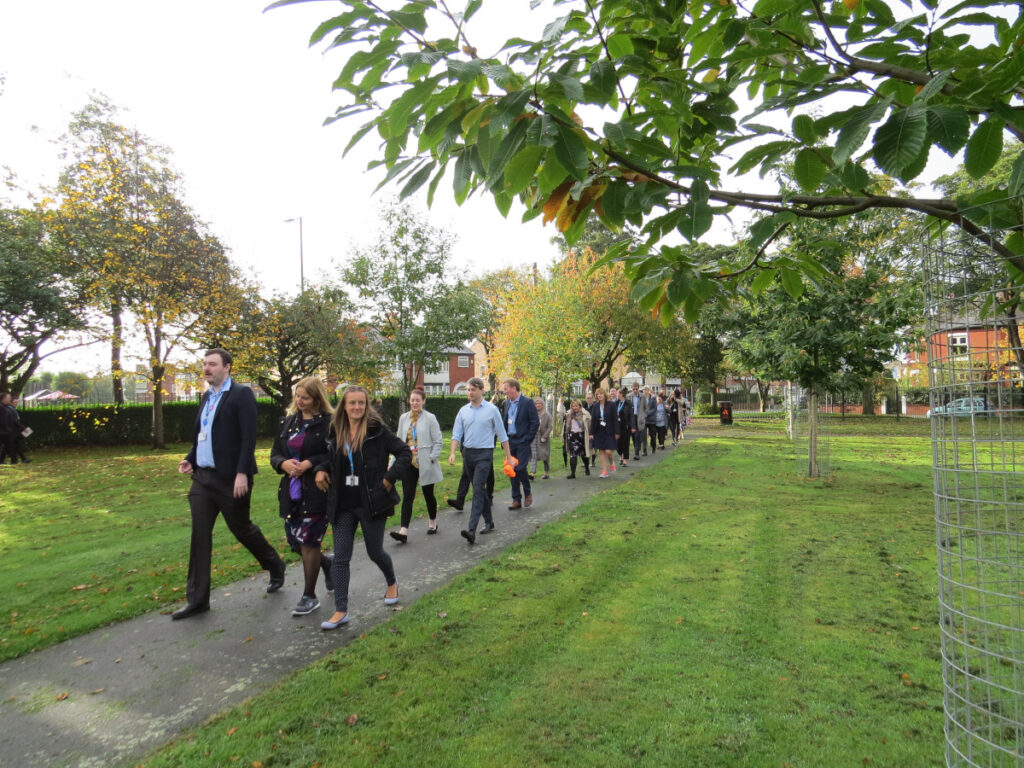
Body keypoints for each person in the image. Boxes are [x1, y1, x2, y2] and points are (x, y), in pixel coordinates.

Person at [174, 348, 286, 620]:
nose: (206, 369)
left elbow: (249, 437)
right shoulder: (206, 397)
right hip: (202, 478)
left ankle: (275, 565)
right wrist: (191, 458)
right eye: (204, 364)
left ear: (227, 367)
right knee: (199, 535)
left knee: (241, 528)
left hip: (230, 479)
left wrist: (242, 473)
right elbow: (203, 433)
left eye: (212, 364)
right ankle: (197, 600)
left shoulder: (241, 394)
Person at [315, 386, 411, 630]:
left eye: (361, 403)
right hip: (342, 503)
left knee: (374, 551)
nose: (357, 407)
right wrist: (321, 469)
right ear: (343, 406)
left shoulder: (377, 431)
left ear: (366, 405)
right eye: (352, 403)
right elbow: (328, 457)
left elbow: (404, 453)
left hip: (371, 502)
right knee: (340, 557)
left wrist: (389, 479)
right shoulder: (336, 429)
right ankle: (341, 610)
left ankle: (391, 581)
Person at [269, 377, 335, 616]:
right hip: (291, 492)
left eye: (305, 397)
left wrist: (311, 463)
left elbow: (335, 453)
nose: (300, 401)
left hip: (317, 491)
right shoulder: (289, 422)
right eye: (297, 396)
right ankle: (327, 564)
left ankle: (309, 596)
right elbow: (275, 453)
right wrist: (283, 463)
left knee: (309, 542)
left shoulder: (329, 423)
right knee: (294, 542)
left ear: (317, 399)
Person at [449, 377, 513, 544]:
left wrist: (508, 457)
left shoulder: (492, 410)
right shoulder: (463, 411)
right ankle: (489, 521)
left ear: (481, 390)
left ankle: (471, 530)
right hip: (468, 454)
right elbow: (456, 434)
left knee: (478, 489)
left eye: (473, 389)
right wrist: (453, 453)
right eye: (468, 390)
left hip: (484, 454)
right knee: (480, 490)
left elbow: (502, 435)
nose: (470, 392)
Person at [392, 388, 443, 540]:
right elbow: (398, 441)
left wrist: (432, 457)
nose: (414, 403)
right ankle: (403, 530)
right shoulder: (403, 418)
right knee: (408, 496)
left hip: (425, 462)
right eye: (412, 400)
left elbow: (438, 441)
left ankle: (433, 522)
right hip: (408, 462)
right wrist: (393, 461)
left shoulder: (430, 418)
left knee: (428, 494)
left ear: (423, 401)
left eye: (417, 400)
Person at [501, 379, 539, 510]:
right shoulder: (506, 403)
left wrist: (527, 439)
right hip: (510, 442)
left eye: (506, 388)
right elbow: (504, 422)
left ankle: (527, 492)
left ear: (514, 388)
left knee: (520, 468)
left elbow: (535, 422)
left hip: (522, 441)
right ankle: (516, 499)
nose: (504, 391)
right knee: (511, 470)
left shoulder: (527, 402)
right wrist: (503, 440)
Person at [589, 387, 619, 477]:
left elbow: (615, 419)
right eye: (597, 394)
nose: (599, 395)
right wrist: (591, 433)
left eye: (601, 394)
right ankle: (604, 471)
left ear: (604, 395)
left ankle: (611, 462)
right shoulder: (595, 406)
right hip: (599, 432)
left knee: (609, 452)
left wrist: (617, 432)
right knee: (601, 451)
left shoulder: (611, 405)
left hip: (610, 431)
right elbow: (593, 420)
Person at [562, 399, 592, 478]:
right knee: (573, 455)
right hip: (572, 436)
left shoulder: (585, 414)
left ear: (580, 406)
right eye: (573, 406)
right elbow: (565, 426)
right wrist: (564, 436)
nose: (574, 408)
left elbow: (589, 426)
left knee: (584, 454)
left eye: (576, 406)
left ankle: (586, 467)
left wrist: (591, 435)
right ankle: (573, 473)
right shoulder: (568, 414)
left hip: (582, 436)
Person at [528, 397, 552, 480]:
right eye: (536, 403)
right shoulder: (531, 414)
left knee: (545, 456)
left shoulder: (547, 415)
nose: (538, 405)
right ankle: (532, 473)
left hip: (543, 438)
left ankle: (546, 472)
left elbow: (550, 427)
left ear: (543, 404)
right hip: (534, 436)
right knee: (534, 454)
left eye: (540, 403)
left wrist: (544, 436)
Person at [616, 387, 634, 466]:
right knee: (618, 443)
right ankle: (620, 456)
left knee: (625, 443)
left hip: (626, 426)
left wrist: (633, 427)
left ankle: (625, 460)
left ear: (621, 394)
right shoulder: (616, 403)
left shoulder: (628, 403)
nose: (617, 395)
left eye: (618, 393)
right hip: (617, 426)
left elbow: (632, 416)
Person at [629, 382, 648, 460]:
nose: (635, 390)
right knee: (633, 436)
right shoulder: (628, 396)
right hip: (632, 417)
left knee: (637, 436)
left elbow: (646, 408)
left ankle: (636, 453)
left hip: (639, 418)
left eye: (636, 389)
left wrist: (643, 416)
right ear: (632, 388)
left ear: (638, 388)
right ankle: (637, 448)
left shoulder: (642, 396)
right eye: (633, 389)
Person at [644, 387, 660, 454]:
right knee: (644, 435)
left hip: (651, 420)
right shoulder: (642, 398)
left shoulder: (653, 398)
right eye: (644, 389)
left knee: (652, 435)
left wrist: (648, 413)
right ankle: (644, 450)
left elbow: (654, 408)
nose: (645, 391)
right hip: (644, 420)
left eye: (646, 389)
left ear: (649, 390)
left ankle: (653, 447)